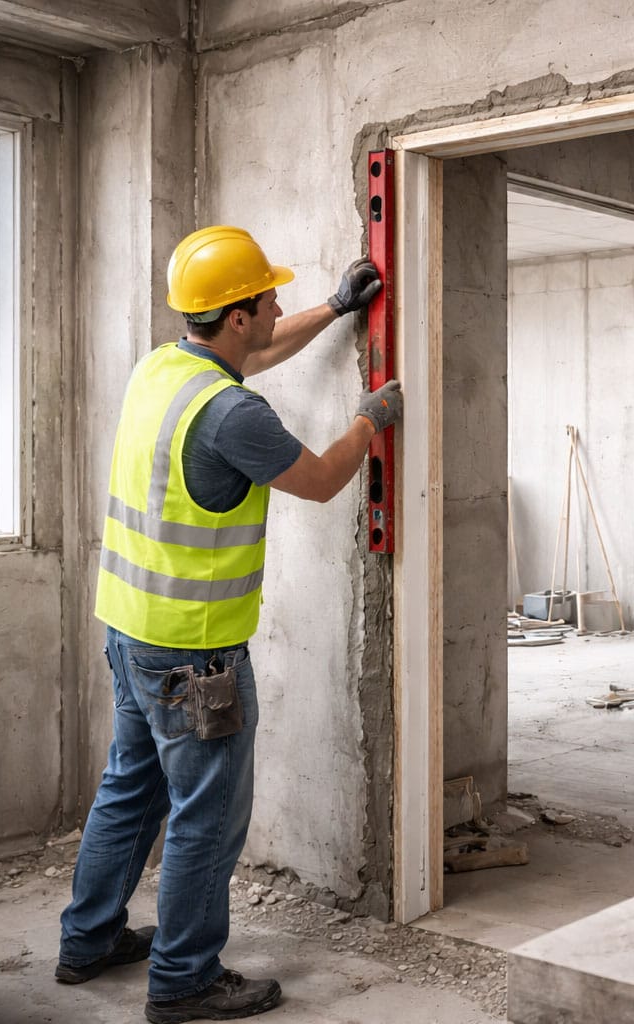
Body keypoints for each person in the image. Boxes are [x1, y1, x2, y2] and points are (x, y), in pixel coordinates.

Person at [57, 225, 403, 1022]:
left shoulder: (164, 367)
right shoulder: (234, 416)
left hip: (129, 631)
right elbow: (317, 481)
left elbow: (257, 350)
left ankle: (89, 940)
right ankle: (183, 981)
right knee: (207, 818)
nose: (277, 302)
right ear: (238, 314)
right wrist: (369, 421)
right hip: (196, 656)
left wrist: (330, 308)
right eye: (268, 296)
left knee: (128, 790)